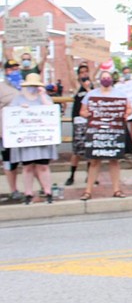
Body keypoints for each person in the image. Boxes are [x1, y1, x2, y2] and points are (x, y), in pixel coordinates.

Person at [79, 70, 132, 200]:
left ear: (111, 79)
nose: (106, 79)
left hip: (114, 131)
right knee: (95, 161)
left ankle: (117, 190)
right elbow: (82, 111)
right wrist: (88, 114)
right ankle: (88, 191)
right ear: (99, 80)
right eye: (104, 77)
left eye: (108, 77)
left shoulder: (120, 94)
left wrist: (126, 114)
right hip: (97, 132)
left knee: (114, 160)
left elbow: (129, 108)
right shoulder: (91, 95)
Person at [8, 74, 59, 204]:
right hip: (26, 139)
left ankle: (47, 191)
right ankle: (28, 193)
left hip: (41, 138)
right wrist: (20, 109)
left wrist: (42, 95)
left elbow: (51, 111)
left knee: (43, 166)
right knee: (27, 167)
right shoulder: (18, 99)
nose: (33, 87)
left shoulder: (45, 97)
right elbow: (12, 115)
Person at [64, 56, 93, 186]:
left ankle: (90, 175)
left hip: (89, 120)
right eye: (81, 72)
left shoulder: (92, 87)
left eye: (86, 72)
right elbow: (70, 70)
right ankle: (72, 175)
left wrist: (88, 88)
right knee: (77, 151)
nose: (84, 74)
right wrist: (69, 55)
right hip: (78, 121)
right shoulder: (77, 86)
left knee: (90, 150)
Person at [0, 60, 22, 201]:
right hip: (6, 133)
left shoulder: (25, 86)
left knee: (30, 162)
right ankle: (13, 189)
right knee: (9, 162)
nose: (13, 71)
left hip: (25, 132)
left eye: (16, 68)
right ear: (6, 71)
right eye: (11, 69)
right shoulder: (1, 88)